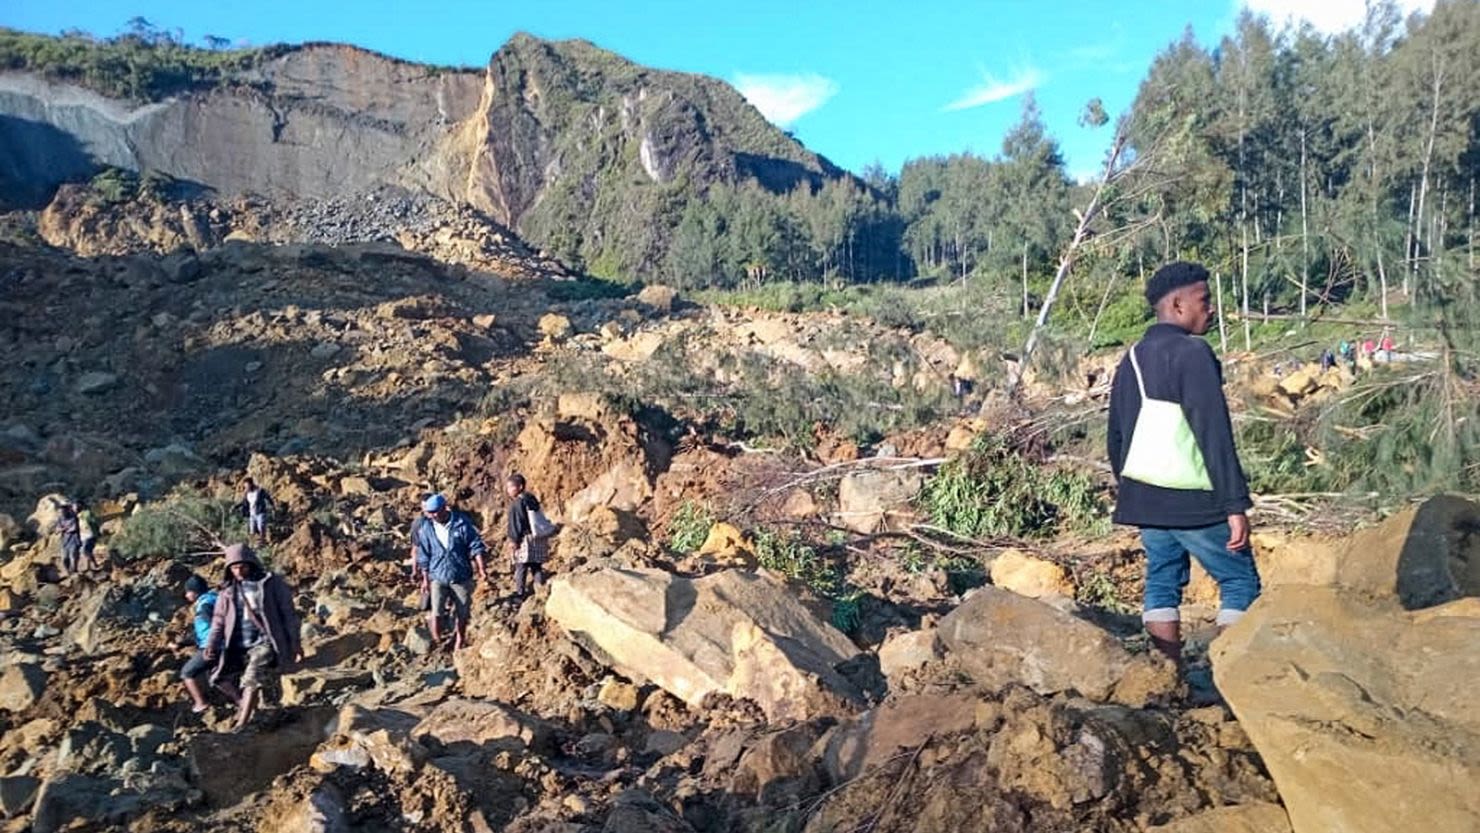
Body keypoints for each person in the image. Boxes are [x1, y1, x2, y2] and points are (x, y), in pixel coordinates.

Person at [1106, 261, 1261, 664]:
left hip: (1145, 497)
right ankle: (1229, 677)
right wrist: (1234, 505)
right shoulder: (1194, 353)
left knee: (1161, 581)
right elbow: (1213, 432)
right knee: (1239, 579)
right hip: (1195, 499)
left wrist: (1133, 492)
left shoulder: (1133, 358)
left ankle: (1166, 674)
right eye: (1204, 300)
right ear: (1177, 305)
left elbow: (1117, 435)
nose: (1211, 309)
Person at [203, 544, 302, 732]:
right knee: (221, 677)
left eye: (242, 566)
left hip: (265, 641)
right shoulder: (227, 591)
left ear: (251, 564)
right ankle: (265, 713)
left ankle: (242, 722)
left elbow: (288, 614)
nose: (239, 571)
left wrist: (295, 643)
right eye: (234, 567)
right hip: (239, 645)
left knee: (252, 678)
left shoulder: (270, 583)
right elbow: (218, 621)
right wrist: (212, 644)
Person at [411, 494, 488, 650]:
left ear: (444, 508)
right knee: (436, 611)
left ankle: (460, 640)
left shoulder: (461, 524)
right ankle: (437, 639)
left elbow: (475, 546)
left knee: (462, 613)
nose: (433, 515)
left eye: (435, 511)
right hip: (438, 575)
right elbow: (423, 555)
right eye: (430, 512)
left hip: (461, 575)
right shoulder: (427, 529)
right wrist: (425, 580)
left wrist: (481, 569)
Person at [181, 574, 241, 713]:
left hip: (212, 647)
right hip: (225, 646)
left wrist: (212, 645)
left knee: (187, 673)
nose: (186, 595)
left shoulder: (204, 605)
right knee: (217, 678)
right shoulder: (214, 600)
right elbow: (201, 632)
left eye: (188, 592)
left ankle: (200, 703)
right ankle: (241, 701)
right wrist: (181, 644)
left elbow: (215, 626)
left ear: (194, 592)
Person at [504, 474, 550, 599]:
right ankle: (540, 591)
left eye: (511, 487)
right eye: (507, 487)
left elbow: (516, 523)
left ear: (520, 486)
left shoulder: (517, 503)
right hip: (537, 536)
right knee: (536, 566)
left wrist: (514, 540)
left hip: (524, 538)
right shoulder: (531, 498)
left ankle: (520, 594)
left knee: (521, 566)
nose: (508, 490)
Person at [50, 499, 83, 577]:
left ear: (68, 509)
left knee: (73, 555)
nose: (62, 512)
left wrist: (62, 529)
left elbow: (73, 528)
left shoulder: (74, 517)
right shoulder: (60, 518)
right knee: (65, 558)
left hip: (74, 539)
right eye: (61, 511)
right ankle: (68, 571)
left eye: (64, 510)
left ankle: (74, 570)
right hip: (64, 540)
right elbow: (57, 530)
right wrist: (63, 528)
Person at [237, 478, 276, 544]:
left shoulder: (260, 491)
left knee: (261, 527)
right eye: (245, 486)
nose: (246, 488)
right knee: (252, 531)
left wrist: (273, 506)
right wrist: (236, 506)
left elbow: (268, 497)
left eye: (247, 486)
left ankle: (262, 541)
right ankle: (254, 543)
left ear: (251, 484)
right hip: (252, 514)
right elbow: (244, 502)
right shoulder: (247, 493)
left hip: (260, 512)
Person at [76, 503, 99, 573]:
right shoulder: (78, 515)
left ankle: (88, 566)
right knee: (88, 551)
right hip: (83, 536)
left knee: (85, 550)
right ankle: (94, 564)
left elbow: (94, 521)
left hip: (89, 534)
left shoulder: (87, 513)